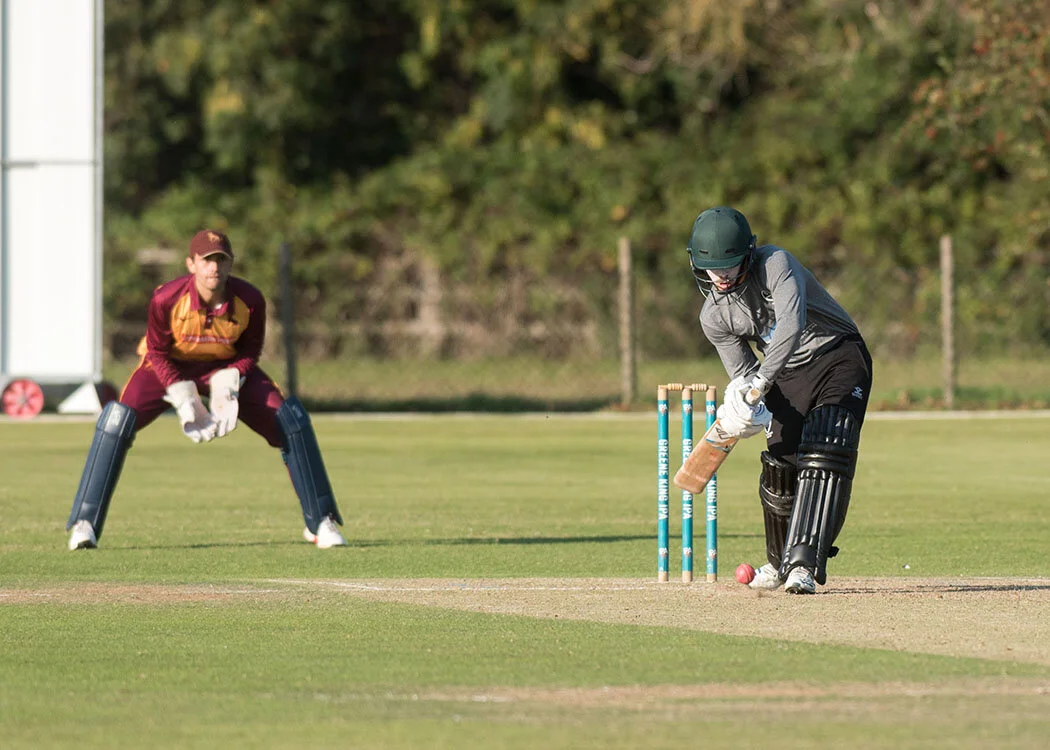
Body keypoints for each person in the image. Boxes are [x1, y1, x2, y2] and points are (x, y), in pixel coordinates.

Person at [65, 230, 347, 550]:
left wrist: (232, 378)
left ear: (230, 266)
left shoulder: (250, 300)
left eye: (221, 261)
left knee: (291, 420)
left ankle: (321, 522)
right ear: (191, 264)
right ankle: (84, 524)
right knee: (116, 420)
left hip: (224, 368)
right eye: (206, 261)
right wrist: (180, 391)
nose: (213, 268)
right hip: (168, 367)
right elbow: (156, 352)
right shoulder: (166, 299)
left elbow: (250, 351)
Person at [686, 206, 873, 594]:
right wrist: (744, 404)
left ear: (748, 255)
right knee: (781, 463)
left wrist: (760, 383)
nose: (721, 276)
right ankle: (778, 562)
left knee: (825, 447)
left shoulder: (776, 262)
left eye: (730, 264)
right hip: (786, 375)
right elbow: (743, 373)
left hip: (838, 355)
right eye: (713, 268)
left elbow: (791, 323)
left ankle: (804, 563)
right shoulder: (713, 318)